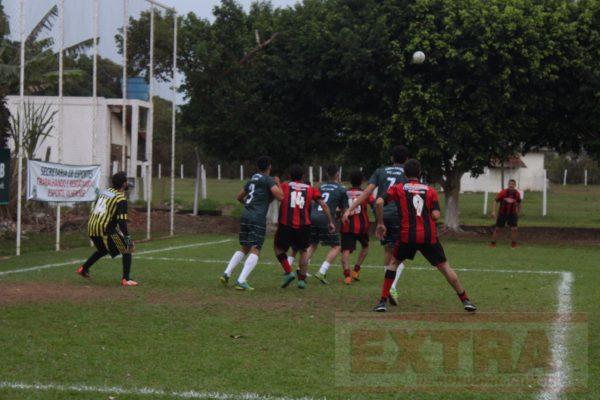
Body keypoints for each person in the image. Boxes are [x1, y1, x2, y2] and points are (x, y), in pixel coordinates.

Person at [372, 159, 477, 313]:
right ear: (420, 173)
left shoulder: (398, 188)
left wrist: (381, 223)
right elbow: (436, 215)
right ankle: (465, 300)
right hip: (428, 236)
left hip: (407, 236)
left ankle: (382, 302)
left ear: (405, 174)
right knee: (444, 267)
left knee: (393, 263)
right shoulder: (430, 190)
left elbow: (379, 202)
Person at [343, 145, 408, 301]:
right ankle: (392, 287)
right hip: (399, 216)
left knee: (388, 251)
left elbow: (366, 192)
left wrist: (349, 209)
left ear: (392, 158)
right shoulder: (408, 173)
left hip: (382, 214)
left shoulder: (380, 171)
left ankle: (389, 287)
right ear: (406, 160)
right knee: (401, 255)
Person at [221, 156, 284, 290]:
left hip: (246, 215)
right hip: (257, 218)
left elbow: (239, 197)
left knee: (244, 247)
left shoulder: (253, 179)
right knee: (256, 249)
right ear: (270, 167)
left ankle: (226, 273)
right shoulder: (268, 179)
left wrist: (250, 205)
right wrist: (278, 183)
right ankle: (241, 280)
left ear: (257, 167)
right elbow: (281, 196)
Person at [274, 164, 335, 289]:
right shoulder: (311, 189)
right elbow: (323, 205)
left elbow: (277, 195)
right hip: (304, 225)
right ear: (303, 177)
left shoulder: (285, 186)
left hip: (286, 223)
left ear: (290, 176)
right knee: (303, 251)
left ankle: (288, 272)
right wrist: (330, 221)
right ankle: (302, 280)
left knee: (278, 247)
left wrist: (277, 182)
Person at [289, 165, 348, 285]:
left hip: (312, 217)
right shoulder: (341, 189)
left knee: (312, 244)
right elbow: (344, 210)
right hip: (325, 218)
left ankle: (301, 269)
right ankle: (322, 271)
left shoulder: (320, 187)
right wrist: (339, 217)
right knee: (336, 246)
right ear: (337, 174)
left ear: (326, 174)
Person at [76, 171, 137, 286]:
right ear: (124, 184)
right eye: (126, 181)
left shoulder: (104, 192)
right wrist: (128, 239)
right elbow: (122, 222)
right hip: (104, 229)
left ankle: (83, 268)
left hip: (92, 226)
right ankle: (126, 279)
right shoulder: (121, 199)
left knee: (103, 250)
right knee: (127, 248)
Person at [339, 170, 374, 285]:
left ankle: (347, 276)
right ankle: (356, 270)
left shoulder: (344, 193)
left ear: (350, 180)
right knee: (365, 246)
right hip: (362, 226)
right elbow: (373, 204)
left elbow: (339, 208)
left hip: (347, 226)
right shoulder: (366, 193)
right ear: (361, 181)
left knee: (345, 250)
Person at [490, 179, 522, 248]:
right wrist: (493, 211)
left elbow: (519, 203)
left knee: (514, 229)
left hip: (512, 214)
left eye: (512, 184)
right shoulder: (503, 192)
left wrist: (519, 213)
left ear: (515, 185)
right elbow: (495, 201)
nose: (511, 185)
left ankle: (514, 244)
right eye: (510, 184)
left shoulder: (517, 193)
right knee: (497, 229)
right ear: (508, 185)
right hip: (502, 213)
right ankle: (493, 244)